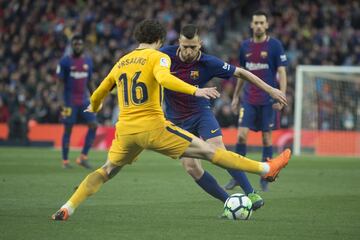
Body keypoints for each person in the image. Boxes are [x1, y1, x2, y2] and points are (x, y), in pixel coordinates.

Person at [51, 19, 291, 221]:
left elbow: (99, 92)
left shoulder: (122, 61)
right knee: (209, 153)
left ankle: (67, 207)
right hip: (155, 126)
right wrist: (196, 90)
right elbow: (165, 80)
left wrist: (93, 106)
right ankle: (266, 168)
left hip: (125, 131)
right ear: (162, 41)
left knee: (106, 170)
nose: (187, 51)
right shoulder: (159, 57)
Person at [160, 24, 279, 210]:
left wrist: (270, 89)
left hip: (200, 112)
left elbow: (241, 72)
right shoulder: (164, 56)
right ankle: (229, 201)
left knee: (219, 150)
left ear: (200, 44)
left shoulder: (208, 63)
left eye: (193, 47)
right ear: (179, 43)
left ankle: (251, 193)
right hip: (176, 120)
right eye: (185, 47)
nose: (189, 51)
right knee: (191, 167)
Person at [224, 11, 288, 191]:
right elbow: (242, 73)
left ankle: (266, 176)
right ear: (251, 25)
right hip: (249, 99)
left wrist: (281, 95)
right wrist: (236, 96)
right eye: (256, 23)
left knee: (267, 139)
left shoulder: (275, 45)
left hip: (268, 101)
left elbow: (282, 72)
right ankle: (238, 176)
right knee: (241, 135)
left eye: (262, 23)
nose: (259, 26)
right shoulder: (245, 46)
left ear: (267, 25)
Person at [56, 35, 97, 169]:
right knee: (68, 129)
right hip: (69, 102)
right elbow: (59, 84)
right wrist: (60, 101)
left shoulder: (88, 61)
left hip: (84, 101)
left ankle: (83, 157)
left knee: (93, 125)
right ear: (71, 46)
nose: (78, 46)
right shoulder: (65, 62)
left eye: (80, 44)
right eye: (75, 44)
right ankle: (65, 161)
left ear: (83, 45)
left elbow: (90, 82)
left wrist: (96, 98)